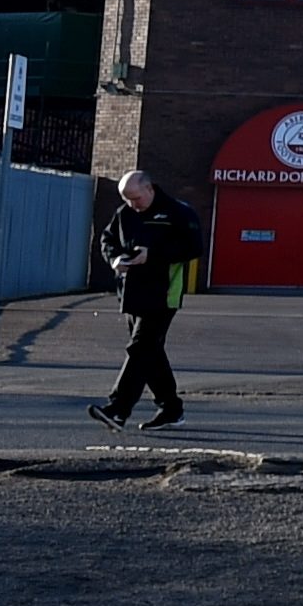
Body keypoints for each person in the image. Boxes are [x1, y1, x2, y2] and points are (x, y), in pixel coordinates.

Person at [89, 169, 199, 430]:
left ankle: (117, 409)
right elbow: (108, 239)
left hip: (163, 293)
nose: (132, 204)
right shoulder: (125, 213)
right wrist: (115, 258)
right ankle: (171, 409)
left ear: (150, 189)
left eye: (136, 198)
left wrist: (154, 255)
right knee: (151, 353)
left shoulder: (178, 212)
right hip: (131, 292)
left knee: (139, 349)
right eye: (127, 199)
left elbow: (194, 248)